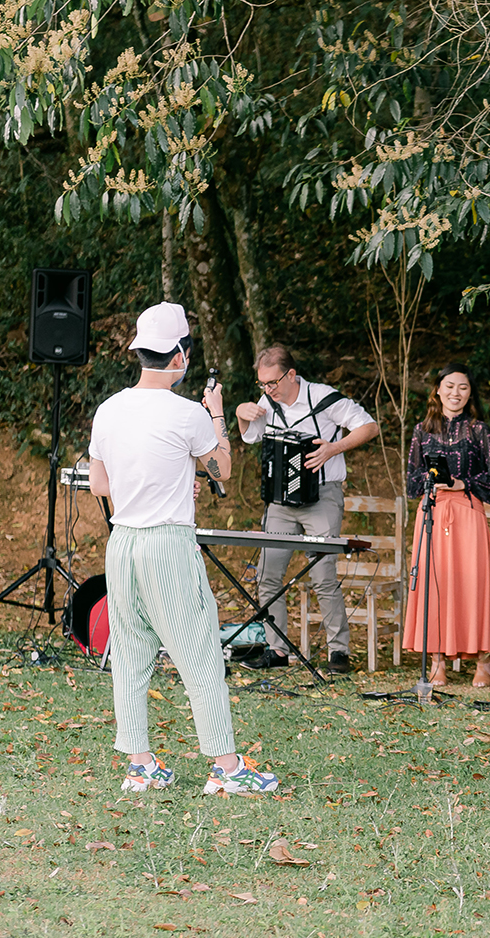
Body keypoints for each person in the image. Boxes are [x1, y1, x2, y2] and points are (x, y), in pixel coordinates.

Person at [88, 302, 279, 796]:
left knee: (130, 655)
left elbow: (100, 483)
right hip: (168, 546)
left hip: (122, 541)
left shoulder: (108, 409)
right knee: (199, 653)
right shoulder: (188, 412)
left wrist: (167, 481)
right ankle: (227, 767)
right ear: (180, 354)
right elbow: (222, 470)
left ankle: (140, 763)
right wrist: (216, 412)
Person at [236, 345, 379, 673]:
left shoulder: (324, 398)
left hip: (322, 497)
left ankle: (338, 652)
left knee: (323, 574)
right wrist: (242, 415)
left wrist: (334, 448)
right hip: (280, 502)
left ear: (290, 375)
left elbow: (369, 427)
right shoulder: (267, 401)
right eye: (262, 385)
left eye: (272, 383)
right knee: (268, 575)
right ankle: (277, 650)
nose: (267, 390)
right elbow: (251, 437)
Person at [401, 364, 490, 687]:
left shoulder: (478, 431)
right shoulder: (422, 430)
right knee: (435, 584)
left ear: (470, 392)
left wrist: (463, 482)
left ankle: (483, 660)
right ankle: (436, 659)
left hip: (468, 513)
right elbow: (411, 481)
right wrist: (434, 479)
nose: (455, 393)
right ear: (437, 389)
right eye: (449, 386)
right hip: (432, 513)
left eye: (462, 387)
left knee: (471, 584)